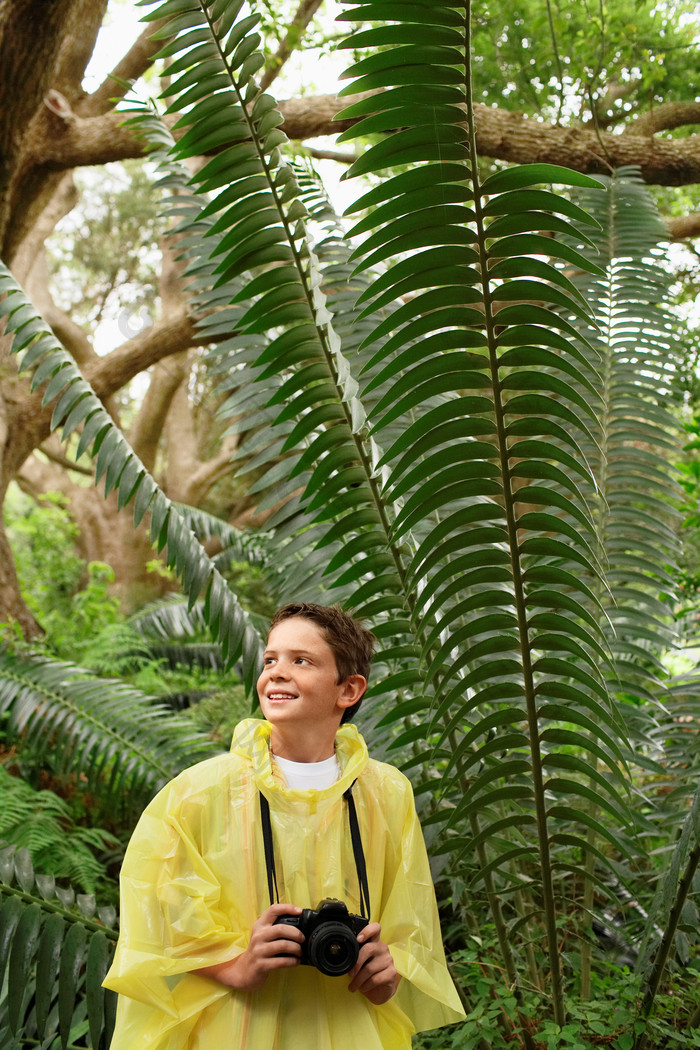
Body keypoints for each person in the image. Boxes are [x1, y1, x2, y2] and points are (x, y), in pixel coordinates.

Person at [103, 602, 465, 1049]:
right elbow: (157, 910)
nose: (276, 672)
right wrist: (236, 964)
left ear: (348, 689)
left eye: (302, 660)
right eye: (270, 659)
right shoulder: (200, 791)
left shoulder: (386, 793)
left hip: (349, 1025)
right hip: (235, 1027)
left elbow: (409, 921)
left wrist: (386, 973)